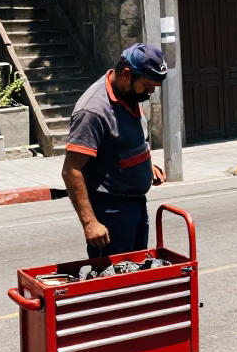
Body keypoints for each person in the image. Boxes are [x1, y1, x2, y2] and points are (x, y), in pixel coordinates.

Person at [62, 44, 168, 259]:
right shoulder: (93, 110)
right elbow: (71, 170)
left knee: (136, 275)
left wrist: (146, 166)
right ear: (127, 75)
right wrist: (90, 223)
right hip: (111, 212)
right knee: (115, 283)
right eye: (147, 86)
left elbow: (128, 141)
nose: (151, 92)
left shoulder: (129, 96)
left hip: (135, 204)